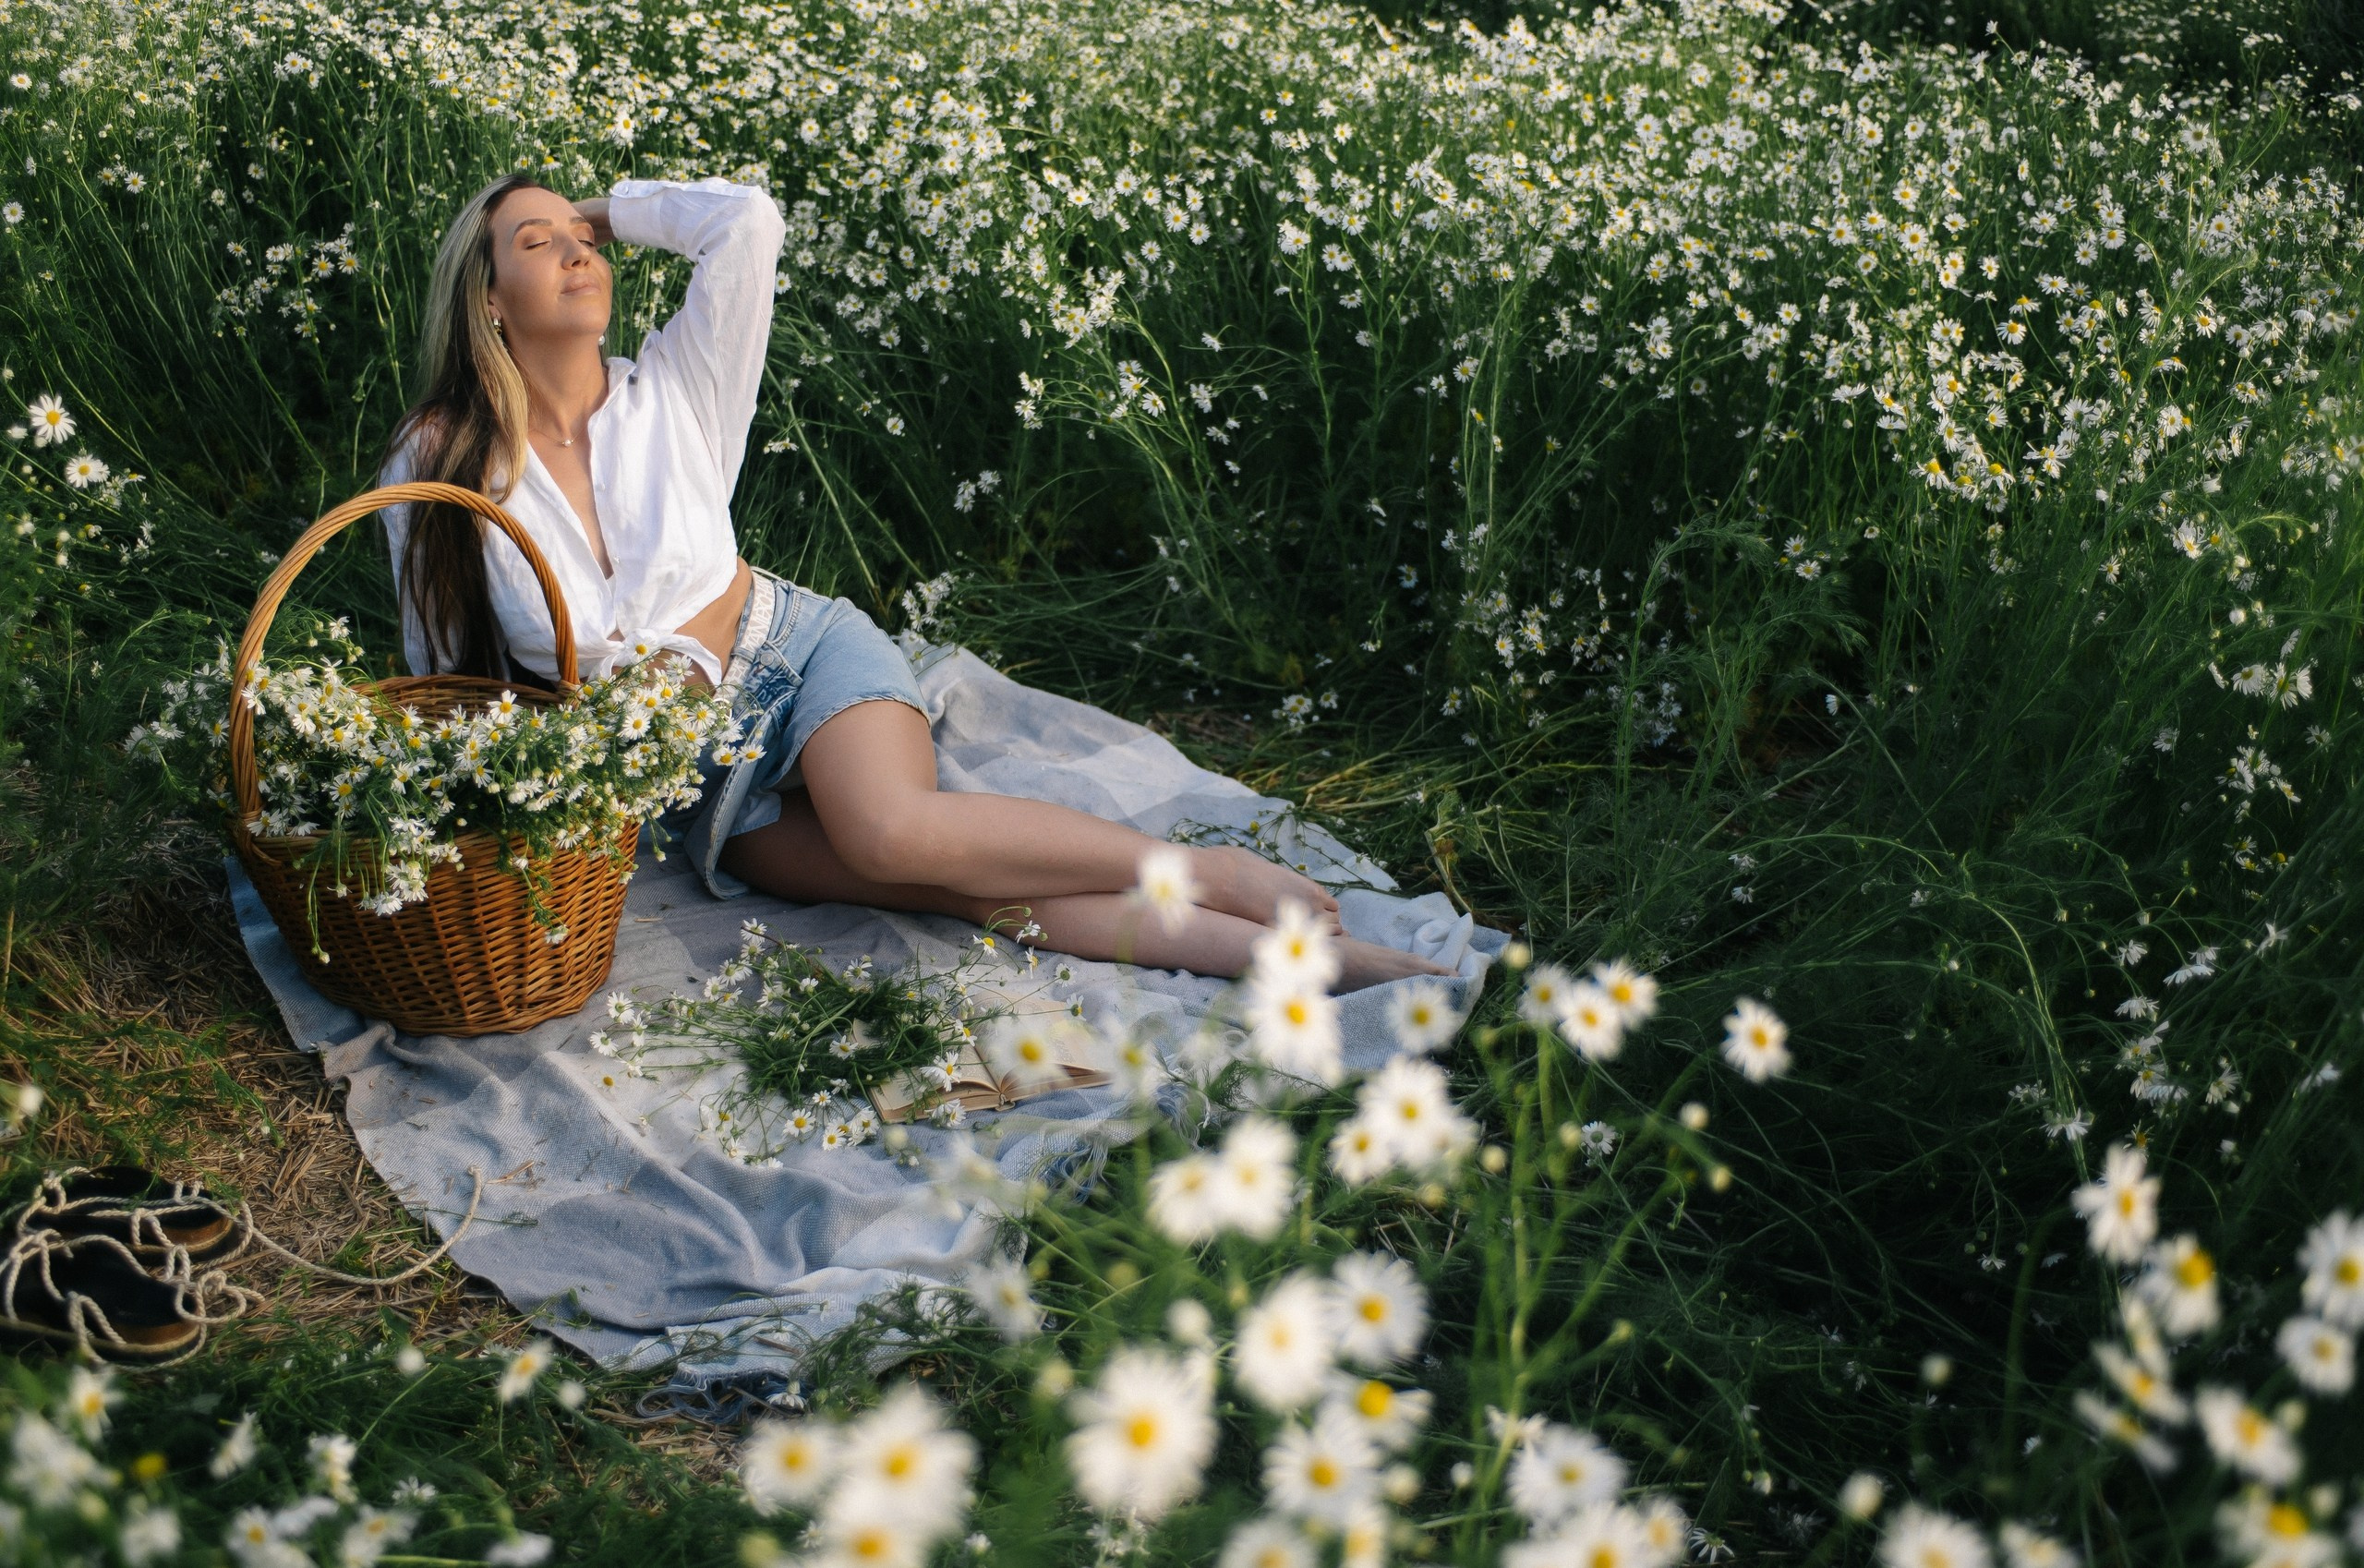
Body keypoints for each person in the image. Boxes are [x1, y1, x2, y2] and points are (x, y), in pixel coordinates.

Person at [380, 173, 1451, 991]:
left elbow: (746, 222)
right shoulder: (437, 459)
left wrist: (607, 210)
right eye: (538, 242)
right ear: (484, 294)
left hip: (791, 657)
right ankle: (1313, 968)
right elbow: (443, 676)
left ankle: (1205, 871)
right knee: (968, 896)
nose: (576, 255)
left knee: (892, 830)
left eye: (585, 242)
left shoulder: (678, 386)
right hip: (697, 785)